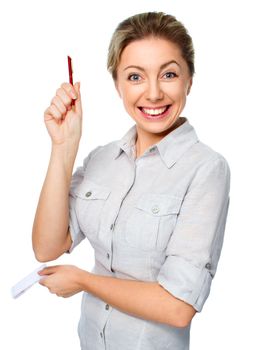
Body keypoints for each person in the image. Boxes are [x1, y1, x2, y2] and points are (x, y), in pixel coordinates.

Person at [32, 11, 231, 350]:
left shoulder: (206, 169)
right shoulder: (102, 159)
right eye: (135, 77)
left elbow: (177, 307)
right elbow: (48, 247)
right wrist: (63, 148)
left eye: (168, 74)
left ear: (189, 81)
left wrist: (84, 281)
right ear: (118, 85)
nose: (153, 94)